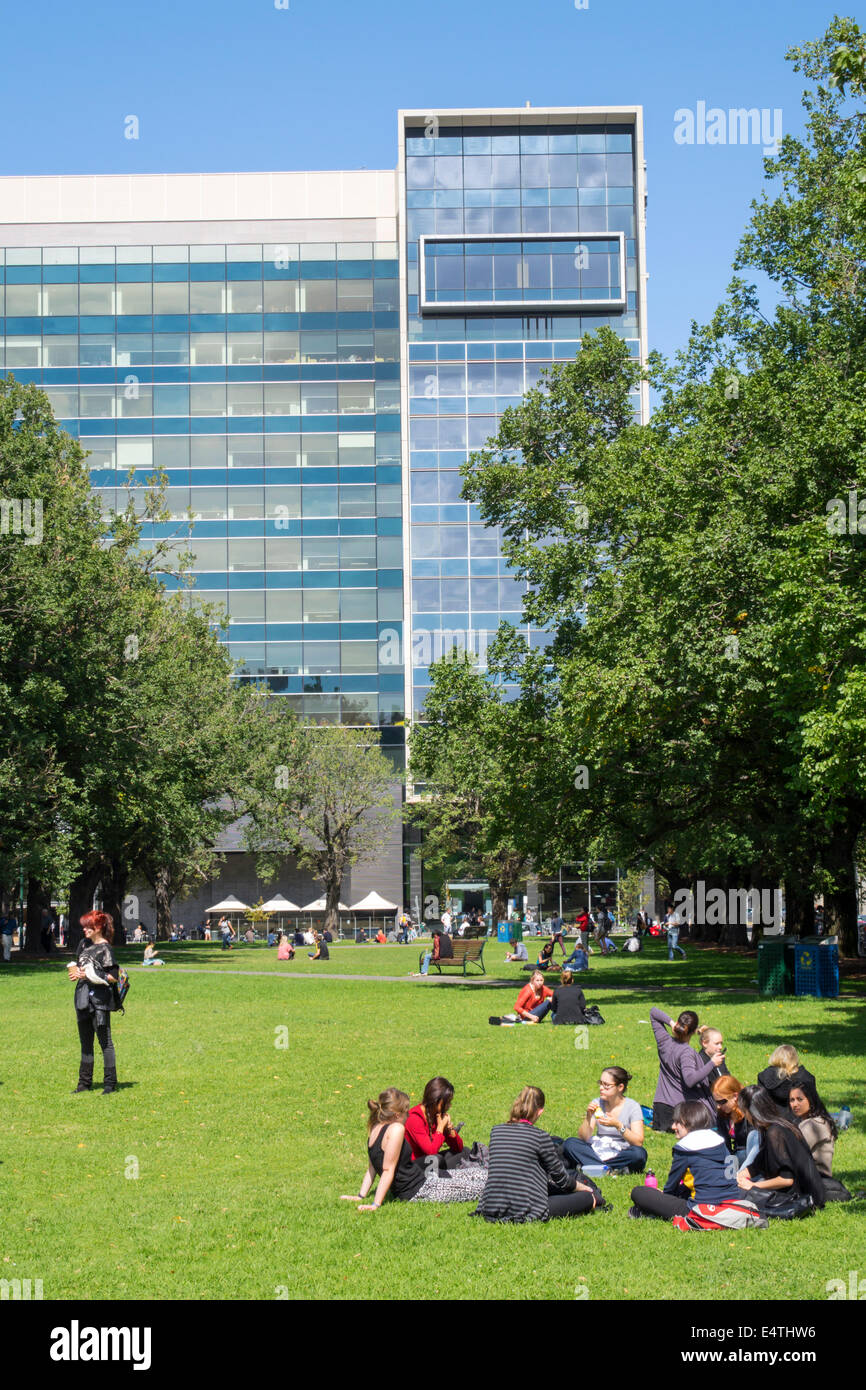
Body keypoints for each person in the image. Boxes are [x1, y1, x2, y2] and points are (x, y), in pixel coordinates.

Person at [340, 1088, 486, 1209]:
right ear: (397, 1115)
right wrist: (375, 1204)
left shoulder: (375, 1129)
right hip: (420, 1189)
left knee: (478, 1174)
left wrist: (360, 1196)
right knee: (483, 1188)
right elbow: (387, 1170)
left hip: (426, 1178)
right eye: (406, 1112)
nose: (408, 1115)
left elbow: (372, 1168)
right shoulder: (396, 1129)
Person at [629, 1101, 765, 1229]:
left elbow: (671, 1185)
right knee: (684, 1188)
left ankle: (645, 1210)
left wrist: (662, 1197)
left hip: (700, 1208)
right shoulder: (718, 1140)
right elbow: (732, 1166)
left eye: (677, 1123)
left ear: (689, 1123)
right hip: (731, 1200)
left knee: (638, 1192)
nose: (673, 1127)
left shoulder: (684, 1148)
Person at [474, 1085, 599, 1222]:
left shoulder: (496, 1131)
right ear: (540, 1112)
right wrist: (585, 1189)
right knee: (587, 1198)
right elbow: (563, 1180)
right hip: (526, 1207)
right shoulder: (540, 1136)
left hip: (492, 1205)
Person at [736, 1084, 826, 1214]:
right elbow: (759, 1163)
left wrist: (753, 1186)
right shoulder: (774, 1125)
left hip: (800, 1197)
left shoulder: (775, 1132)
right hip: (803, 1192)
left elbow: (786, 1179)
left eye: (745, 1111)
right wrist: (742, 1175)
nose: (745, 1116)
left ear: (752, 1112)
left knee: (741, 1197)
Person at [68, 910, 121, 1095]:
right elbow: (80, 968)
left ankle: (109, 1085)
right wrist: (77, 974)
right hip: (82, 998)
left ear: (98, 927)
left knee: (105, 1042)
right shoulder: (83, 944)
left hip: (99, 1000)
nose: (85, 930)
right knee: (85, 1042)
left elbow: (114, 977)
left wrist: (90, 975)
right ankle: (84, 1084)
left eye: (88, 927)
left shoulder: (106, 949)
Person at [650, 1007, 725, 1131]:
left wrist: (671, 1023)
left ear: (679, 1024)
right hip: (680, 1113)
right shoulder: (686, 1052)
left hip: (660, 1110)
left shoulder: (664, 1041)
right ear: (695, 1031)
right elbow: (690, 1080)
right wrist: (712, 1063)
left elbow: (653, 1012)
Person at [563, 1067, 648, 1173]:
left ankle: (592, 1165)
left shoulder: (632, 1107)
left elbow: (638, 1142)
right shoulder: (597, 1103)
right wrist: (588, 1117)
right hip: (598, 1149)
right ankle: (610, 1169)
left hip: (621, 1152)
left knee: (639, 1154)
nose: (601, 1088)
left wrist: (618, 1125)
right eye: (600, 1083)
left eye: (606, 1085)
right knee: (570, 1143)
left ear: (620, 1087)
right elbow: (584, 1137)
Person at [789, 1077, 852, 1202]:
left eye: (800, 1099)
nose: (795, 1104)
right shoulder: (805, 1122)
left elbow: (792, 1154)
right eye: (792, 1100)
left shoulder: (813, 1125)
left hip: (815, 1180)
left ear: (811, 1100)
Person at [405, 1076, 466, 1165]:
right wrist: (440, 1128)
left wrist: (449, 1130)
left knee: (465, 1151)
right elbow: (431, 1152)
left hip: (430, 1161)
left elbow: (459, 1148)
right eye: (447, 1102)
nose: (449, 1106)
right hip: (414, 1166)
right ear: (435, 1099)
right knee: (438, 1159)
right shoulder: (414, 1118)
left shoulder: (436, 1115)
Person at [757, 1045, 817, 1112]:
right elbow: (813, 1104)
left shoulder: (764, 1076)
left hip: (770, 1119)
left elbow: (760, 1105)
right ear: (795, 1058)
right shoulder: (806, 1077)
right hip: (800, 1120)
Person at [713, 1075, 750, 1164]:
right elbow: (725, 1142)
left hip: (750, 1154)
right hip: (736, 1154)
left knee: (741, 1154)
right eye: (716, 1102)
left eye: (722, 1102)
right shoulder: (722, 1114)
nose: (718, 1106)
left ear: (735, 1096)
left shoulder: (749, 1110)